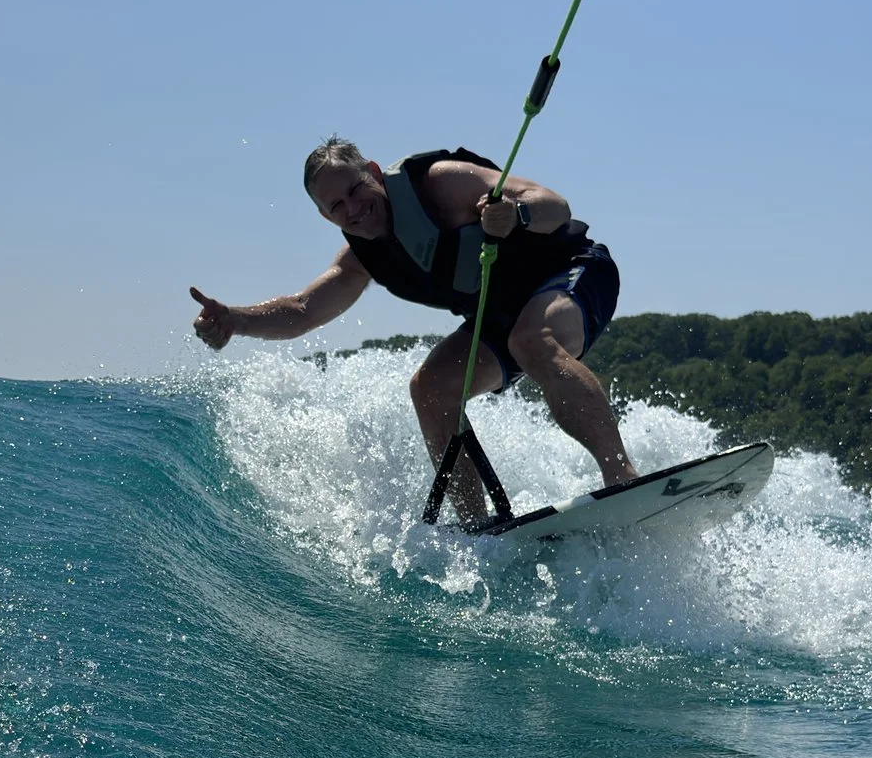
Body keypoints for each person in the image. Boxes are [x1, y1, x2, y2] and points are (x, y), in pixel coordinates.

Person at [190, 138, 637, 521]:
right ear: (327, 218)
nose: (354, 209)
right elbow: (303, 310)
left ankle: (622, 478)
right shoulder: (362, 257)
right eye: (337, 207)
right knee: (431, 388)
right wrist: (237, 320)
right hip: (499, 314)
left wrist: (515, 214)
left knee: (530, 340)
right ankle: (477, 529)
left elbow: (556, 205)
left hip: (573, 273)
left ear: (371, 172)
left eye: (355, 189)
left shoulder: (440, 182)